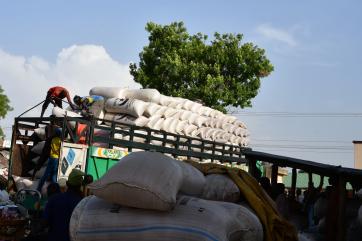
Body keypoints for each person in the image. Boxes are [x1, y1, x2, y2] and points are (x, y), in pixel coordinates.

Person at [43, 169, 85, 241]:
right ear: (80, 186)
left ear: (67, 184)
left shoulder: (53, 199)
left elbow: (45, 222)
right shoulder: (82, 203)